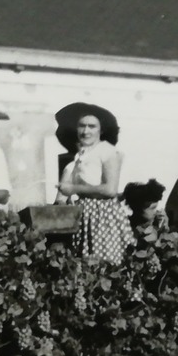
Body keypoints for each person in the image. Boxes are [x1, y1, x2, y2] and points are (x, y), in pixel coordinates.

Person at [54, 102, 134, 262]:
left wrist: (74, 188)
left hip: (102, 215)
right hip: (85, 214)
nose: (85, 131)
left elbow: (110, 189)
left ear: (101, 129)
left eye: (92, 126)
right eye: (81, 126)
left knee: (103, 263)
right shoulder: (82, 155)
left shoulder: (107, 151)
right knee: (84, 263)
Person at [122, 180, 167, 245]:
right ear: (138, 208)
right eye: (152, 208)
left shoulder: (156, 224)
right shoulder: (127, 228)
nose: (156, 211)